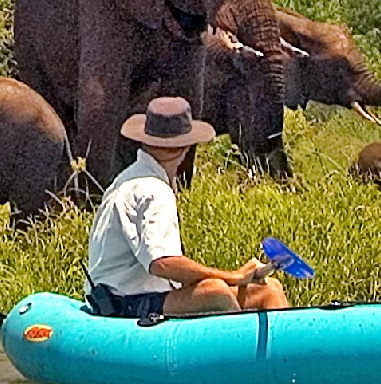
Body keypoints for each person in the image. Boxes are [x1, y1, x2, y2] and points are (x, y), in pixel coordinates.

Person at [84, 96, 289, 318]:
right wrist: (234, 277)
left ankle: (280, 351)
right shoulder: (154, 190)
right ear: (186, 147)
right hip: (124, 302)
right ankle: (242, 351)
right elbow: (162, 264)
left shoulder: (128, 179)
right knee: (215, 292)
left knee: (270, 290)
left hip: (124, 296)